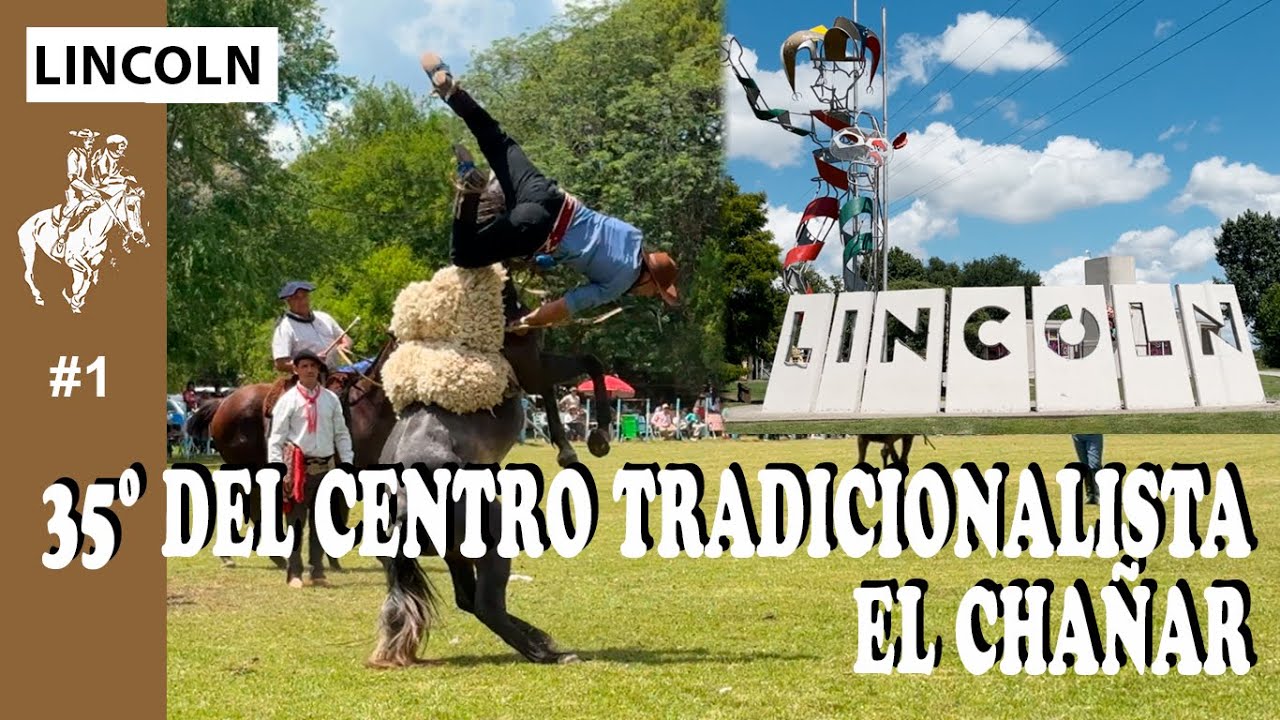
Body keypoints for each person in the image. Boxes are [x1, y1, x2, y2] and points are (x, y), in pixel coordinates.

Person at [420, 52, 680, 329]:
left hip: (549, 194)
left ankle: (452, 92)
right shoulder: (618, 285)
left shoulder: (633, 235)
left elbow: (590, 236)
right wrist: (526, 321)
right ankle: (469, 188)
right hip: (537, 227)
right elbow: (561, 307)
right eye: (654, 292)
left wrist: (552, 258)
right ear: (648, 277)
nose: (648, 296)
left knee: (497, 140)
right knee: (463, 256)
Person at [267, 350, 354, 588]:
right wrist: (278, 470)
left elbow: (341, 433)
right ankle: (294, 572)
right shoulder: (288, 400)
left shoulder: (330, 399)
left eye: (313, 366)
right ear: (296, 370)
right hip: (298, 471)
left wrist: (347, 463)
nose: (309, 370)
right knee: (295, 522)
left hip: (325, 468)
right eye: (304, 366)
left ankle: (317, 571)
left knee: (321, 523)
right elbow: (276, 439)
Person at [271, 281, 353, 374]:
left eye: (304, 296)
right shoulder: (284, 328)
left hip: (335, 373)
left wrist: (345, 345)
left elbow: (345, 338)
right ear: (288, 301)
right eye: (296, 298)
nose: (302, 301)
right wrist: (312, 362)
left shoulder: (324, 317)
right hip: (307, 379)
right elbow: (281, 364)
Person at [56, 128, 105, 258]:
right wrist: (91, 190)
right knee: (72, 207)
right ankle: (62, 238)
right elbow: (73, 179)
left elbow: (93, 176)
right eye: (87, 139)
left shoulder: (91, 155)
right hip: (74, 190)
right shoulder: (73, 154)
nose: (91, 142)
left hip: (88, 189)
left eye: (92, 139)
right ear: (80, 141)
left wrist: (98, 186)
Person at [1071, 434, 1103, 505]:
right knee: (1084, 465)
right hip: (1077, 435)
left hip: (1093, 435)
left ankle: (1099, 494)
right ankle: (1090, 494)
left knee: (1095, 464)